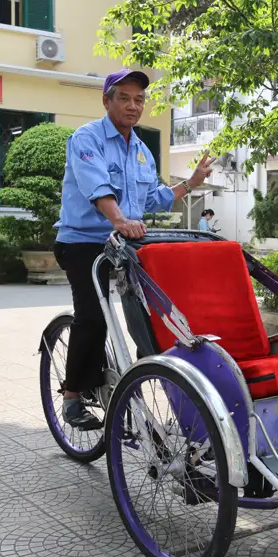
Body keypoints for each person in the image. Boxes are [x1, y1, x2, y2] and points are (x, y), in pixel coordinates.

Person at [53, 68, 216, 429]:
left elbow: (154, 198)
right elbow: (97, 187)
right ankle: (73, 396)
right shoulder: (87, 138)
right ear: (106, 101)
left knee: (158, 312)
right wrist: (119, 220)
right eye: (124, 98)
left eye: (139, 99)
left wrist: (191, 182)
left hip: (125, 244)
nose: (133, 105)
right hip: (83, 242)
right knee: (93, 316)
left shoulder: (141, 150)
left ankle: (149, 370)